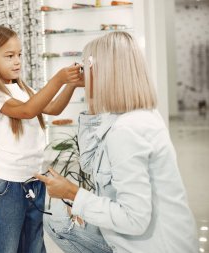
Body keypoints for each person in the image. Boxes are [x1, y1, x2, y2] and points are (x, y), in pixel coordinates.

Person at [36, 31, 198, 253]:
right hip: (152, 238)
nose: (82, 74)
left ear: (104, 73)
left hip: (152, 246)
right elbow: (89, 164)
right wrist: (91, 99)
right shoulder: (132, 115)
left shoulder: (127, 130)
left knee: (57, 221)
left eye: (86, 69)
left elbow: (135, 219)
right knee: (56, 218)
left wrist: (72, 193)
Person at [0, 26, 83, 253]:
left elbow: (53, 108)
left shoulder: (22, 88)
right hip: (7, 186)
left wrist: (70, 83)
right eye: (10, 56)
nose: (17, 61)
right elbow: (27, 111)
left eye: (20, 55)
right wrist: (58, 78)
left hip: (33, 180)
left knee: (33, 246)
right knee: (5, 247)